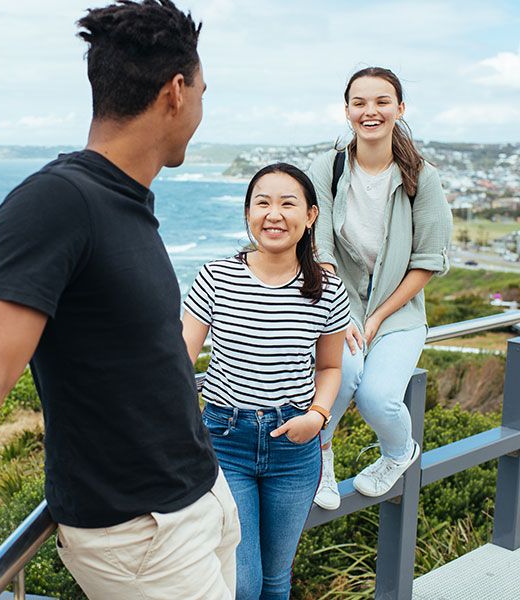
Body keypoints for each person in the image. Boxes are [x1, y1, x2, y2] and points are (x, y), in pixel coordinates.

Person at [0, 2, 241, 599]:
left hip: (198, 501)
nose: (201, 108)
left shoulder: (126, 203)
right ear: (175, 92)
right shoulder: (56, 203)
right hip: (143, 536)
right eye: (202, 90)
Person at [182, 163, 350, 599]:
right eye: (263, 203)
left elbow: (330, 368)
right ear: (248, 213)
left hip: (294, 443)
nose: (274, 214)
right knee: (243, 581)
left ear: (311, 216)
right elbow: (178, 362)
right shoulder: (216, 277)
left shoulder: (327, 289)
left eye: (287, 203)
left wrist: (318, 416)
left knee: (276, 579)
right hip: (225, 439)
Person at [308, 67, 453, 511]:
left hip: (400, 313)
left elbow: (428, 261)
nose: (370, 111)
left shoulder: (421, 177)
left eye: (382, 101)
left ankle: (398, 453)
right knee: (342, 375)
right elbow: (321, 244)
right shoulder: (328, 167)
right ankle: (322, 458)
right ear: (347, 109)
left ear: (399, 109)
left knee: (376, 397)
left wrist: (375, 318)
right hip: (339, 305)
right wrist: (344, 313)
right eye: (360, 103)